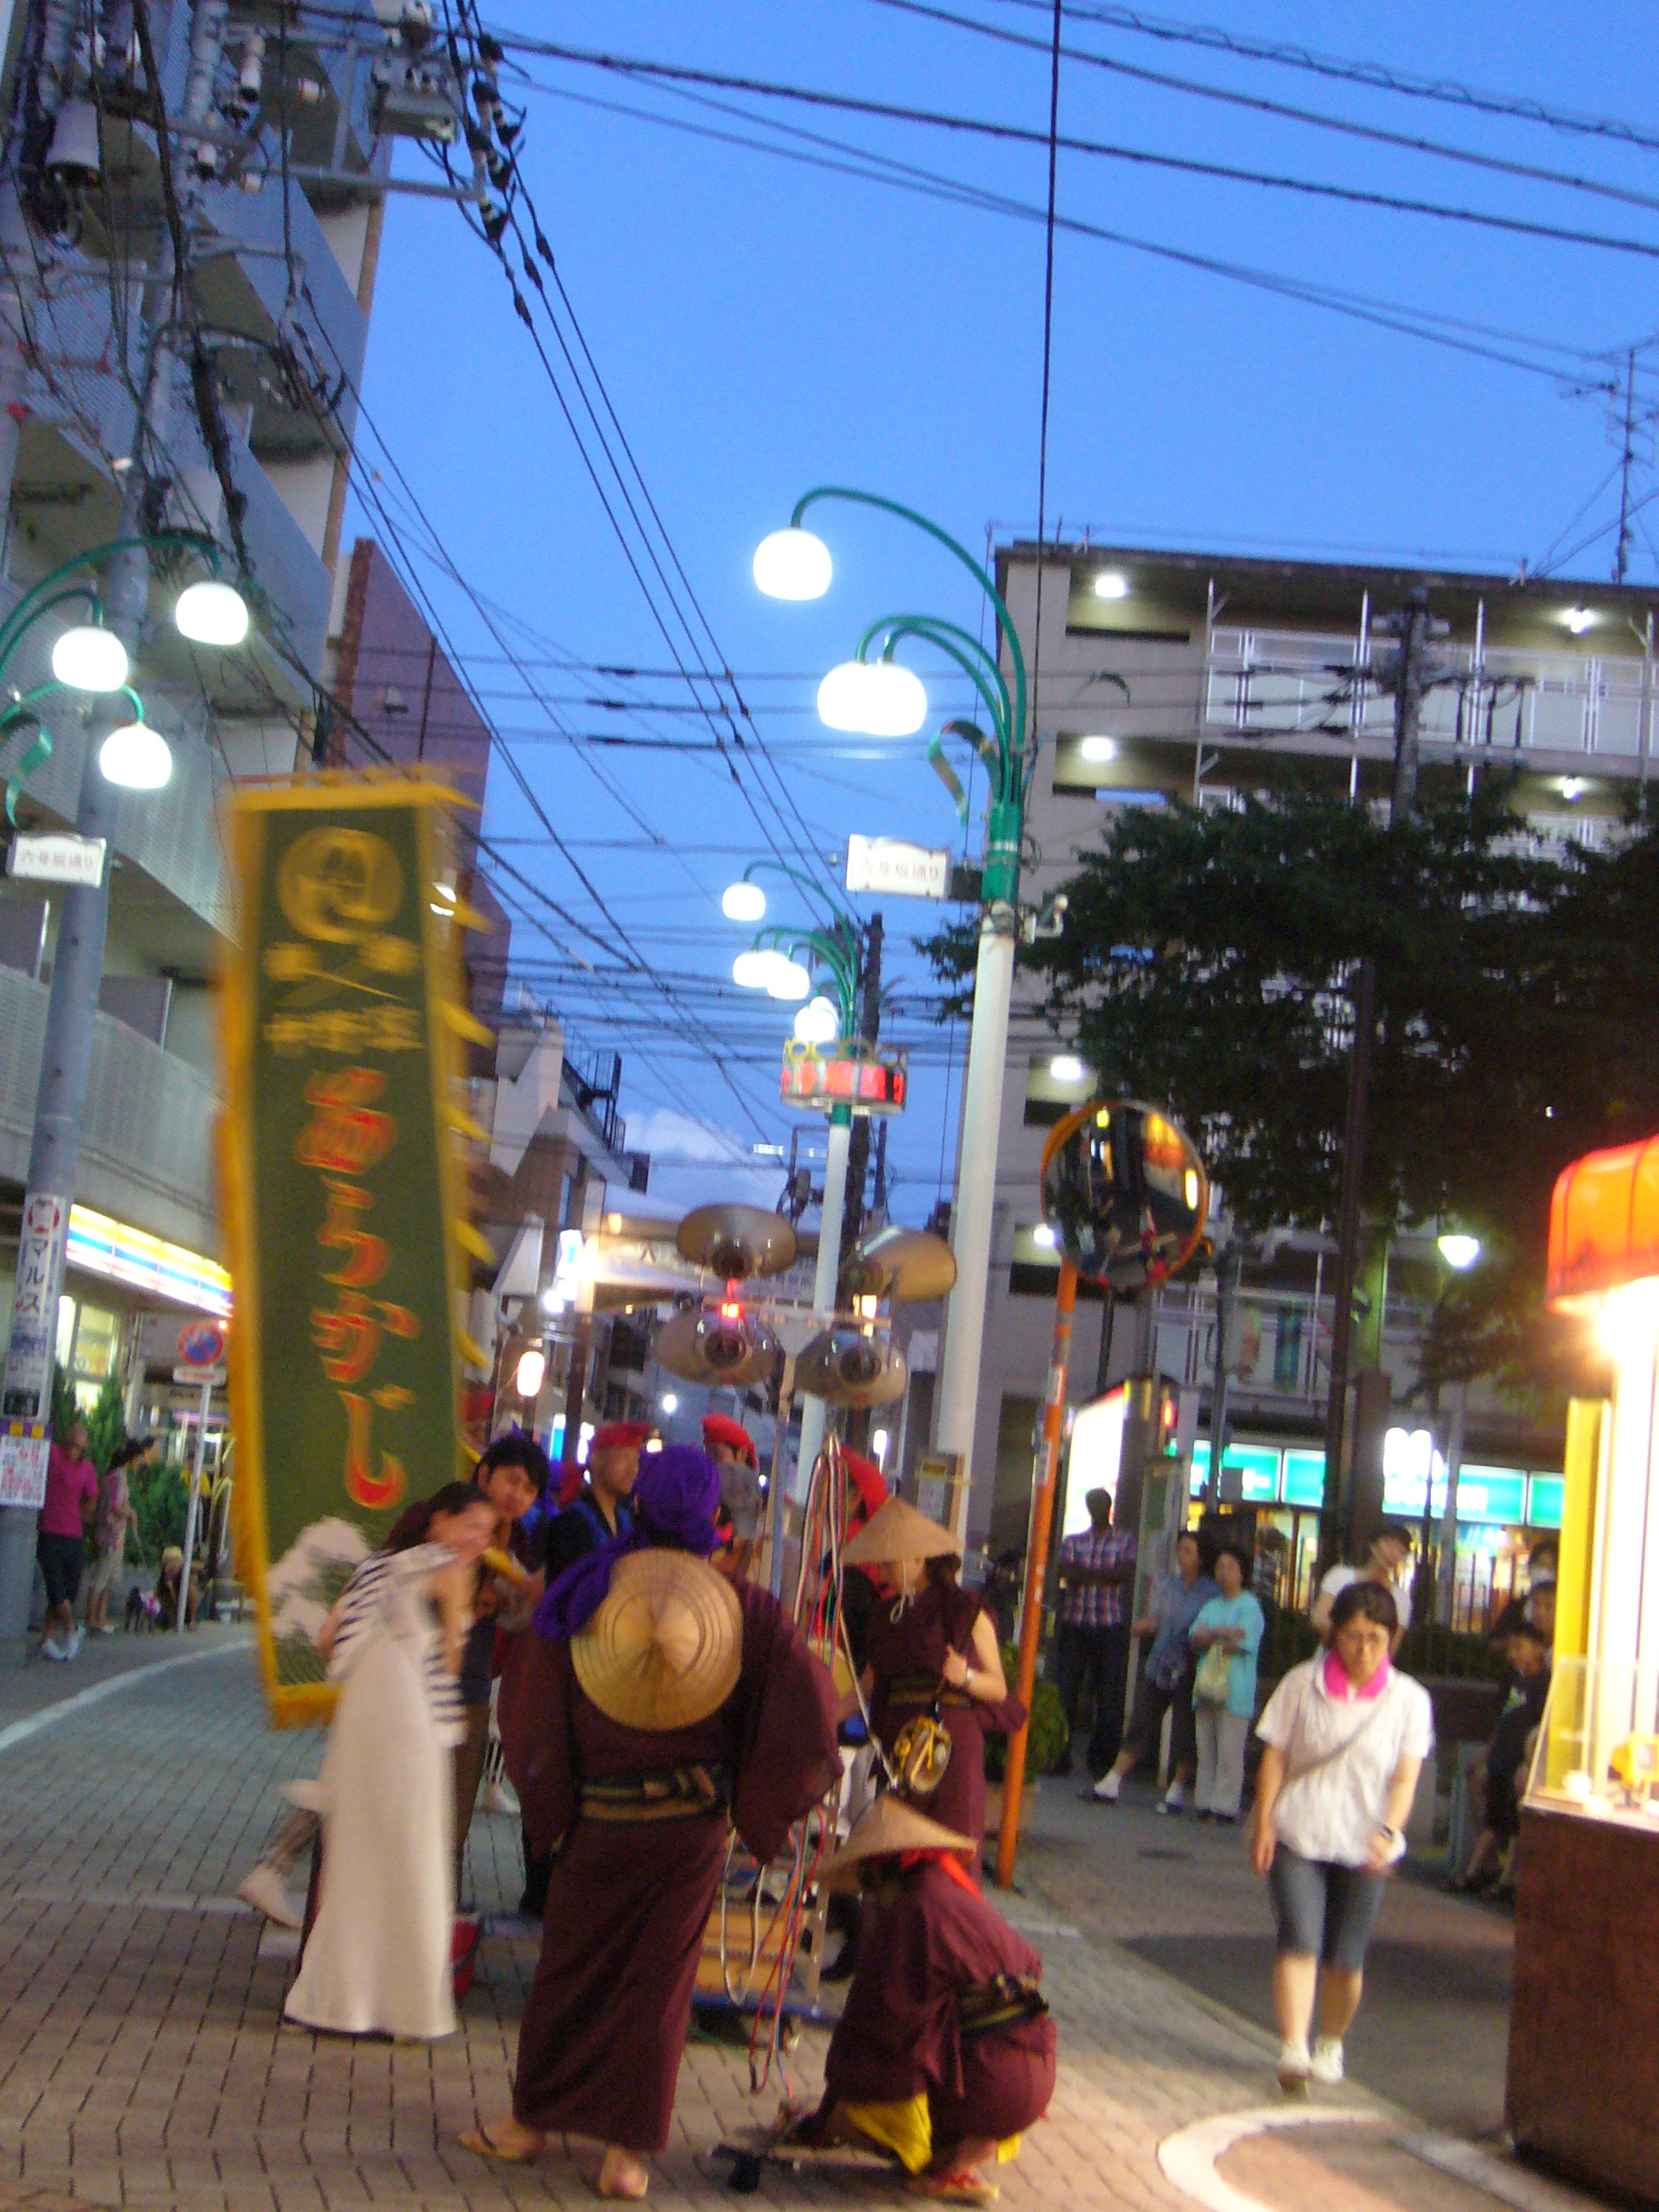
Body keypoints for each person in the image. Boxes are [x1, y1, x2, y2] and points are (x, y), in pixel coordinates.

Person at [469, 1444, 840, 2200]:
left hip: (599, 1821)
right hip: (689, 1829)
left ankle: (528, 2123)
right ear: (712, 1516)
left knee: (569, 1971)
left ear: (639, 1503)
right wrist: (751, 1802)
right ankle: (625, 2156)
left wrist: (552, 1808)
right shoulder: (745, 1608)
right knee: (657, 1990)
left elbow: (532, 1706)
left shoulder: (586, 1590)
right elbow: (808, 1714)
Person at [283, 1481, 497, 2042]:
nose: (479, 1539)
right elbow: (450, 1662)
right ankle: (407, 2010)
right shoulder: (451, 1572)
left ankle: (328, 2002)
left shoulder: (376, 1568)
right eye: (472, 1526)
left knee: (353, 1854)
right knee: (412, 1853)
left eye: (487, 1531)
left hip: (362, 1713)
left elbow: (328, 1640)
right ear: (439, 1522)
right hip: (410, 1714)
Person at [787, 1795, 1056, 2205]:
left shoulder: (915, 1908)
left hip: (991, 2086)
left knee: (862, 2101)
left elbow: (881, 2022)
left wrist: (828, 2117)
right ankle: (955, 2162)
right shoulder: (953, 1895)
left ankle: (941, 2166)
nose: (870, 1898)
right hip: (1035, 2079)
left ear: (884, 1873)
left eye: (870, 1885)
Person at [1251, 1580, 1434, 2093]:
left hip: (1363, 1844)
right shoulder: (1301, 1684)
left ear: (1392, 1639)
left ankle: (1330, 2041)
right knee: (1300, 1937)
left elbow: (1405, 1778)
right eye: (1353, 1636)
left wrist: (1388, 1831)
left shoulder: (1409, 1701)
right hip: (1300, 1832)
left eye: (1376, 1638)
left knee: (1345, 1959)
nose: (1364, 1649)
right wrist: (1264, 1822)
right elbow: (1274, 1756)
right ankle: (1294, 2046)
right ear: (1334, 1634)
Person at [391, 1432, 550, 1908]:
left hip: (473, 1689)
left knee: (456, 1813)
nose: (517, 1494)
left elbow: (518, 1616)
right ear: (484, 1475)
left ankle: (441, 1913)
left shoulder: (517, 1545)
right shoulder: (439, 1518)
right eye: (511, 1480)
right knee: (401, 1805)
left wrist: (506, 1599)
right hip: (412, 1684)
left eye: (529, 1489)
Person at [846, 1496, 1019, 1853]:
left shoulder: (963, 1607)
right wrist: (828, 1713)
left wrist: (965, 1677)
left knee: (946, 1853)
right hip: (900, 1744)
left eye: (889, 1563)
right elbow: (868, 1685)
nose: (882, 1572)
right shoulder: (885, 1615)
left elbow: (998, 1689)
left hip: (948, 1744)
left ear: (918, 1559)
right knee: (895, 1854)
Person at [1092, 1529, 1218, 1811]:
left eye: (1188, 1550)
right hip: (1161, 1662)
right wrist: (1146, 1624)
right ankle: (1113, 1779)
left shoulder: (1210, 1592)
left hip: (1190, 1664)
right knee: (1143, 1719)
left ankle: (1177, 1788)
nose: (1181, 1555)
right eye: (1180, 1549)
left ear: (1200, 1557)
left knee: (1185, 1729)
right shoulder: (1167, 1584)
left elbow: (1207, 1625)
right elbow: (1156, 1617)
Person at [1456, 1619, 1551, 1896]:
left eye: (1520, 1648)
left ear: (1538, 1649)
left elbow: (1542, 1728)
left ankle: (1502, 1878)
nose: (1513, 1655)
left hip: (1517, 1762)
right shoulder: (1514, 1682)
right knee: (1495, 1820)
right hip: (1501, 1759)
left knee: (1512, 1822)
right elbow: (1501, 1723)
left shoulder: (1544, 1684)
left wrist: (1528, 1762)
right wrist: (1485, 1758)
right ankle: (1482, 1873)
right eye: (1510, 1649)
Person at [1052, 1487, 1136, 1779]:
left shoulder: (1124, 1540)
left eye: (1099, 1503)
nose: (1095, 1508)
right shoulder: (1074, 1540)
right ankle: (1059, 1755)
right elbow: (1065, 1571)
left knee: (1108, 1695)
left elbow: (1123, 1574)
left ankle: (1102, 1759)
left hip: (1108, 1626)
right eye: (1091, 1503)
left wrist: (1085, 1575)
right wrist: (1103, 1576)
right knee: (1065, 1692)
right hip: (1075, 1624)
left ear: (1108, 1506)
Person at [1188, 1541, 1265, 1823]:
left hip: (1235, 1690)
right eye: (1220, 1566)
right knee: (1206, 1748)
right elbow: (1195, 1638)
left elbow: (1242, 1642)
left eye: (1230, 1567)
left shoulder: (1250, 1606)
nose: (1224, 1572)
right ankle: (1204, 1801)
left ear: (1242, 1573)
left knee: (1230, 1751)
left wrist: (1213, 1634)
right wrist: (1224, 1633)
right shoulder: (1211, 1605)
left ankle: (1224, 1806)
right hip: (1206, 1686)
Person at [36, 1418, 99, 1661]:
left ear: (84, 1447)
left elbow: (92, 1497)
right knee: (56, 1589)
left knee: (68, 1592)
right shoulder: (53, 1455)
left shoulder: (87, 1469)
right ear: (65, 1440)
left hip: (73, 1536)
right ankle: (72, 1629)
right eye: (72, 1443)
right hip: (50, 1532)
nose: (74, 1448)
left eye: (79, 1446)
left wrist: (80, 1514)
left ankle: (46, 1639)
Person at [85, 1437, 146, 1636]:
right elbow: (117, 1506)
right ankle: (93, 1617)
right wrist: (131, 1513)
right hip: (113, 1534)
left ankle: (99, 1617)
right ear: (133, 1458)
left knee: (109, 1577)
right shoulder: (120, 1477)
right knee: (103, 1577)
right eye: (139, 1458)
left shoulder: (111, 1475)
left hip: (109, 1532)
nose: (140, 1462)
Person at [1312, 1524, 1414, 1642]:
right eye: (1389, 1545)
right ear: (1372, 1545)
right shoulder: (1340, 1576)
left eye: (1401, 1551)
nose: (1394, 1554)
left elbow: (1392, 1645)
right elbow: (1319, 1619)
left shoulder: (1401, 1599)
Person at [703, 1411, 763, 1578]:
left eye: (717, 1455)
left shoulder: (768, 1548)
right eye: (707, 1457)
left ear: (742, 1455)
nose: (712, 1466)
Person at [556, 1417, 652, 1511]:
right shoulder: (575, 1517)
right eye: (625, 1457)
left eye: (636, 1460)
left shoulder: (622, 1515)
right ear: (595, 1458)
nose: (633, 1470)